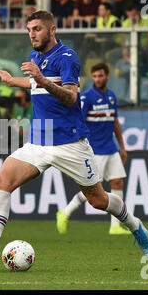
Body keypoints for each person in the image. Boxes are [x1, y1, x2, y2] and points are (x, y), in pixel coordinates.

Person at [0, 10, 148, 268]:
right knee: (2, 180)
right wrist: (14, 80)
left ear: (52, 30)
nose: (32, 34)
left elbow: (71, 97)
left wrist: (40, 79)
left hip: (70, 143)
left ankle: (136, 227)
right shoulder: (35, 56)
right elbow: (34, 83)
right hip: (38, 142)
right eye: (29, 30)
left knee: (98, 200)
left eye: (37, 29)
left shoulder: (67, 57)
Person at [56, 63, 131, 236]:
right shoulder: (87, 98)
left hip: (111, 148)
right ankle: (65, 212)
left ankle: (115, 225)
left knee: (118, 182)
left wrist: (122, 146)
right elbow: (78, 121)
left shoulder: (111, 96)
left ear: (107, 76)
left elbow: (115, 122)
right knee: (93, 191)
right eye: (95, 76)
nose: (98, 79)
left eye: (101, 76)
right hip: (95, 150)